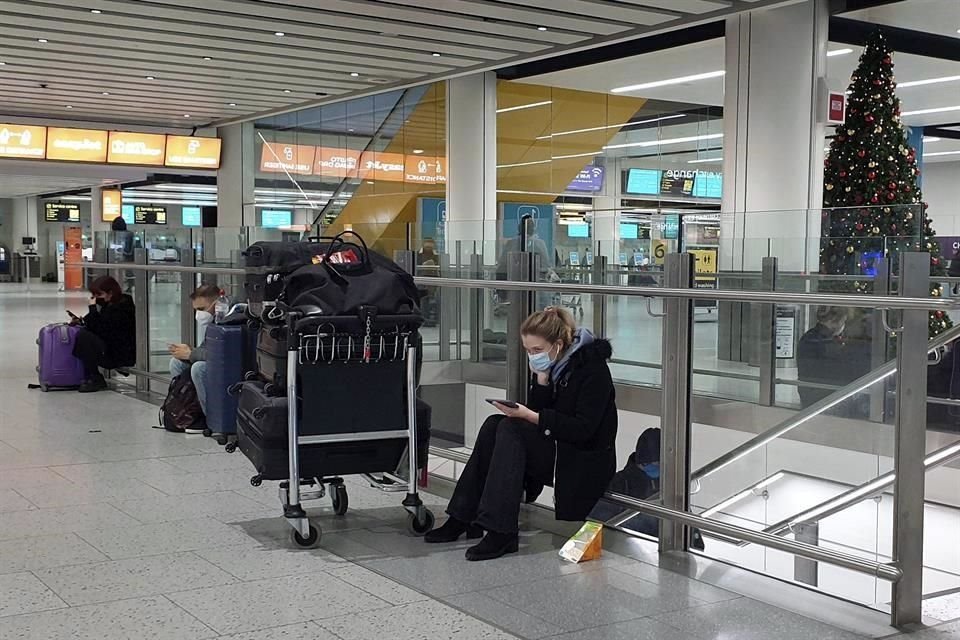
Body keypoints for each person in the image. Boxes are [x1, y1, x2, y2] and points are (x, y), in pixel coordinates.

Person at [426, 307, 617, 561]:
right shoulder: (554, 368)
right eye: (528, 351)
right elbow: (540, 412)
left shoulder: (593, 371)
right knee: (495, 424)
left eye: (537, 351)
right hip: (556, 448)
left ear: (558, 344)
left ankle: (501, 530)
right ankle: (463, 515)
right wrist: (541, 382)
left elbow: (583, 429)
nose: (532, 356)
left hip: (579, 459)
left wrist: (531, 416)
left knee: (510, 427)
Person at [796, 306, 870, 414]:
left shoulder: (809, 337)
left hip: (813, 393)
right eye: (843, 321)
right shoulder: (825, 343)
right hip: (825, 396)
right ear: (835, 321)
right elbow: (844, 370)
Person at [70, 276, 136, 393]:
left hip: (119, 354)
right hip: (110, 347)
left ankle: (95, 377)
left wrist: (92, 308)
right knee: (84, 334)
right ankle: (92, 375)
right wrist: (82, 321)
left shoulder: (122, 307)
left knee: (84, 336)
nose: (96, 298)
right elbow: (99, 323)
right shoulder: (110, 303)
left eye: (99, 295)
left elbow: (102, 328)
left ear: (110, 293)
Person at [168, 284, 219, 431]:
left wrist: (191, 354)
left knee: (199, 368)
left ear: (216, 304)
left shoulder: (231, 319)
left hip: (228, 367)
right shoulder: (212, 322)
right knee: (176, 363)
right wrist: (188, 352)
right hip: (215, 363)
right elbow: (206, 349)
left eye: (202, 309)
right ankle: (188, 410)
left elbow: (220, 354)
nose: (199, 314)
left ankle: (211, 418)